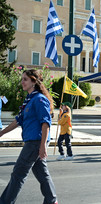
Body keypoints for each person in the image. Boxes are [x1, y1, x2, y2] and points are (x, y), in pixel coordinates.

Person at [0, 69, 57, 204]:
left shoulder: (39, 99)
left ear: (33, 82)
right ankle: (52, 200)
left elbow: (46, 123)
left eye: (25, 79)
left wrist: (43, 145)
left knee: (18, 173)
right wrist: (2, 133)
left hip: (35, 142)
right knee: (42, 173)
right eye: (22, 79)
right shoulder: (29, 100)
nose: (22, 82)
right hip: (33, 141)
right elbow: (18, 120)